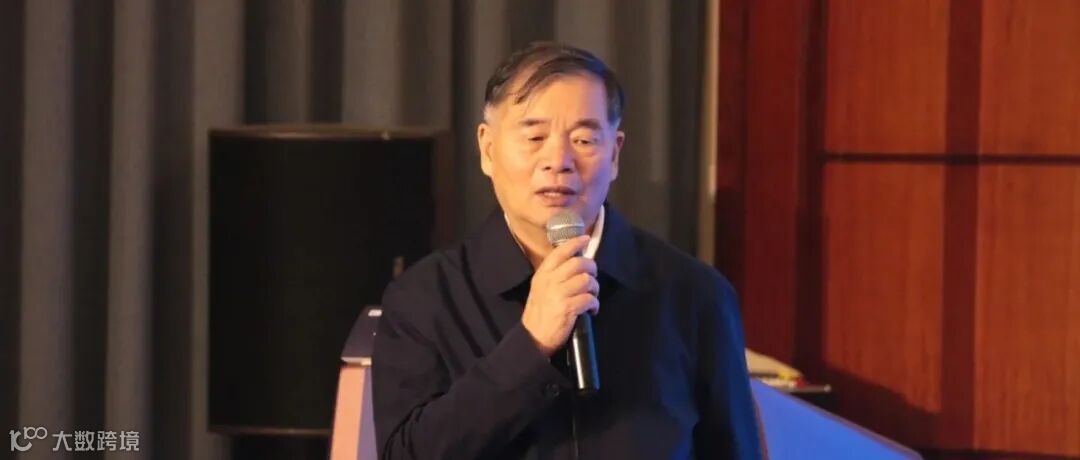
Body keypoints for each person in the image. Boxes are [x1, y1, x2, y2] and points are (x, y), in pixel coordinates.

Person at [372, 42, 763, 459]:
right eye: (535, 137)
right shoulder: (425, 297)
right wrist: (530, 347)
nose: (558, 160)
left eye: (583, 139)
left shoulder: (694, 294)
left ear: (615, 154)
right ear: (488, 149)